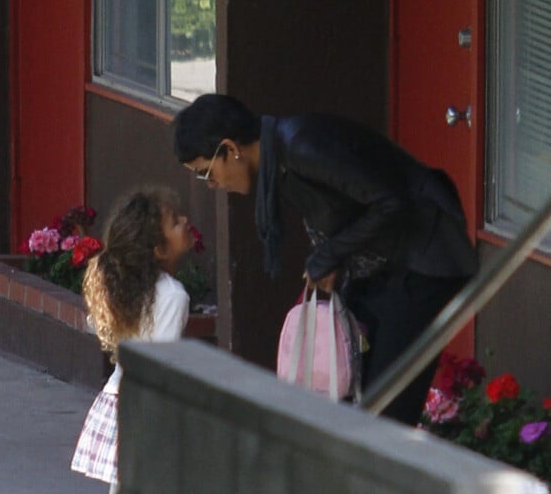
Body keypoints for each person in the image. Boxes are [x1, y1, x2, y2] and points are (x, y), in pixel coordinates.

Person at [173, 93, 478, 426]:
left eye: (206, 173)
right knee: (349, 388)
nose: (211, 184)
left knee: (386, 409)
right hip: (380, 266)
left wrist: (331, 254)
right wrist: (330, 256)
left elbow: (392, 202)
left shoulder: (303, 147)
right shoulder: (279, 161)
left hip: (424, 260)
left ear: (231, 149)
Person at [70, 187, 195, 494]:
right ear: (158, 247)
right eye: (176, 221)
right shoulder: (173, 295)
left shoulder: (117, 287)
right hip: (151, 405)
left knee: (118, 492)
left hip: (117, 395)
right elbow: (164, 358)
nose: (185, 223)